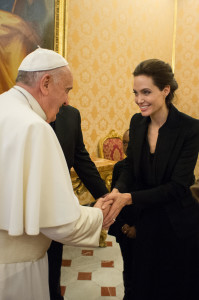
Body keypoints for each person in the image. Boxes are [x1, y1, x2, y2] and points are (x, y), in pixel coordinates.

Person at [0, 48, 113, 300]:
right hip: (15, 271)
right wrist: (100, 216)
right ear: (46, 83)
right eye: (67, 90)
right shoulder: (34, 127)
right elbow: (61, 223)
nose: (67, 101)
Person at [103, 59, 199, 300]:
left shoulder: (190, 129)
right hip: (146, 223)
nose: (139, 100)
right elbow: (129, 169)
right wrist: (117, 190)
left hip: (178, 225)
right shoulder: (137, 123)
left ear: (165, 90)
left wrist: (129, 198)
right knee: (141, 286)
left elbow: (178, 186)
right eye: (135, 93)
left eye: (146, 92)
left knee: (173, 288)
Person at [48, 105, 109, 300]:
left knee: (52, 268)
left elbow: (81, 158)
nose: (67, 98)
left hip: (57, 208)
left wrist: (105, 198)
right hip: (24, 215)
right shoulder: (19, 113)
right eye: (65, 90)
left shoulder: (71, 115)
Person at [109, 129, 137, 300]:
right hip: (124, 228)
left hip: (143, 227)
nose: (127, 146)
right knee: (129, 266)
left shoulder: (149, 169)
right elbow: (114, 199)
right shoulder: (119, 167)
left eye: (131, 142)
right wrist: (121, 225)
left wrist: (138, 227)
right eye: (124, 142)